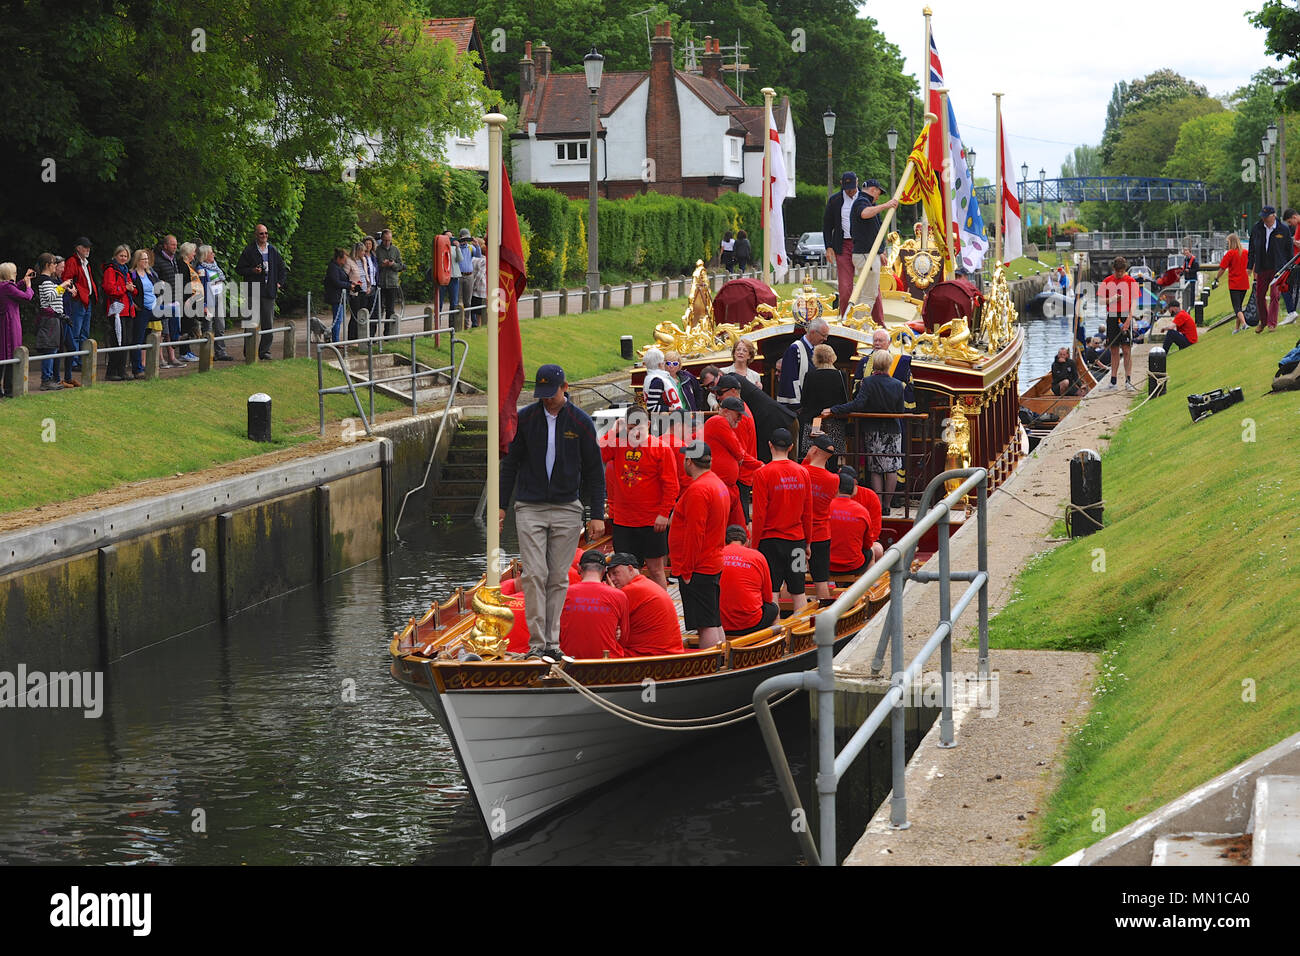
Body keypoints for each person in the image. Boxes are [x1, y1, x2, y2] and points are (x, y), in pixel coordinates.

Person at [499, 364, 606, 660]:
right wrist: (501, 506)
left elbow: (596, 472)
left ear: (565, 387)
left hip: (567, 508)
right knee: (535, 573)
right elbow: (509, 465)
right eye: (542, 394)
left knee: (558, 577)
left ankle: (552, 643)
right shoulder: (525, 420)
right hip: (529, 506)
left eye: (552, 393)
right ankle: (537, 644)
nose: (547, 399)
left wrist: (596, 513)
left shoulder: (581, 423)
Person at [602, 406, 679, 590]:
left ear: (649, 425)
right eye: (630, 428)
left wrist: (663, 513)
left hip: (651, 521)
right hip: (623, 521)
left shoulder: (661, 449)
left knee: (656, 569)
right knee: (622, 570)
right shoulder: (618, 446)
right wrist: (614, 429)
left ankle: (661, 612)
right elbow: (601, 452)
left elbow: (671, 485)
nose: (635, 432)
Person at [826, 350, 905, 512]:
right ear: (889, 364)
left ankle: (878, 505)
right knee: (892, 468)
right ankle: (888, 506)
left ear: (874, 364)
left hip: (873, 429)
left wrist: (834, 409)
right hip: (893, 430)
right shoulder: (898, 384)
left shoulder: (868, 382)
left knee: (875, 468)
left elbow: (857, 405)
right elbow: (901, 409)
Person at [669, 441, 730, 648]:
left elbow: (695, 534)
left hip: (698, 566)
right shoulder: (717, 484)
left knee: (705, 623)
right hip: (712, 560)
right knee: (713, 618)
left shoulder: (698, 490)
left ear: (689, 461)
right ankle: (721, 658)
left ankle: (710, 664)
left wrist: (686, 570)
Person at [749, 427, 813, 615]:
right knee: (798, 590)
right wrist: (807, 542)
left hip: (771, 542)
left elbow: (760, 514)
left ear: (770, 445)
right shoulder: (803, 473)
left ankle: (774, 635)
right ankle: (802, 633)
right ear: (792, 446)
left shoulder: (762, 474)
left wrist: (755, 545)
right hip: (797, 541)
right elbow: (807, 513)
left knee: (772, 591)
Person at [606, 552, 684, 656]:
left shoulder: (631, 590)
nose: (612, 579)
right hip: (669, 652)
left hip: (650, 654)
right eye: (609, 576)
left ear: (630, 569)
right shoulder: (645, 584)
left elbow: (603, 621)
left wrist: (610, 592)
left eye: (615, 573)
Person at [558, 550, 632, 659]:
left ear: (579, 568)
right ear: (605, 570)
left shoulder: (563, 594)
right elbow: (624, 639)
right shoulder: (619, 596)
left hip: (569, 663)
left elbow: (557, 634)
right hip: (607, 664)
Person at [702, 396, 761, 527]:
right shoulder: (719, 421)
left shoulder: (720, 423)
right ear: (726, 411)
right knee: (728, 527)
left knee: (738, 527)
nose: (740, 419)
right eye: (738, 415)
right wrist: (760, 465)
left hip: (728, 486)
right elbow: (738, 451)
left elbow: (740, 453)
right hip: (722, 486)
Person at [235, 224, 288, 359]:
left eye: (266, 233)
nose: (264, 236)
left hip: (269, 291)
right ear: (256, 235)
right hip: (253, 291)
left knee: (268, 324)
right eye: (261, 234)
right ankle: (250, 353)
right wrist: (252, 270)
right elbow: (239, 269)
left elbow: (282, 268)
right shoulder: (249, 250)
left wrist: (279, 283)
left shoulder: (273, 251)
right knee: (251, 322)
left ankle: (264, 352)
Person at [850, 177, 898, 320]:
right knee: (869, 294)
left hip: (867, 253)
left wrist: (880, 251)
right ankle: (861, 324)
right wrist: (886, 205)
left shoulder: (863, 201)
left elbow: (872, 231)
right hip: (866, 255)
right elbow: (864, 213)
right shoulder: (862, 202)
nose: (878, 197)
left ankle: (856, 322)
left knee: (864, 292)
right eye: (878, 193)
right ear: (873, 190)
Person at [800, 433, 841, 603]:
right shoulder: (834, 479)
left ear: (814, 449)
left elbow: (804, 466)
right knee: (821, 579)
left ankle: (791, 616)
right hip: (822, 533)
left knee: (794, 580)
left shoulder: (802, 472)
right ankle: (825, 614)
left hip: (801, 533)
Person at [720, 525, 778, 637]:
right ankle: (773, 643)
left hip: (719, 625)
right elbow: (767, 598)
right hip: (750, 623)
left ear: (724, 540)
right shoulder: (757, 556)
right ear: (747, 541)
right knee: (773, 608)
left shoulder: (717, 555)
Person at [713, 374, 759, 515]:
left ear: (733, 391)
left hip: (739, 478)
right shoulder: (739, 410)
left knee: (739, 521)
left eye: (720, 392)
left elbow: (739, 451)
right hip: (740, 476)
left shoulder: (737, 416)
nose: (718, 397)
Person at [797, 343, 848, 457]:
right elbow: (844, 399)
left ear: (815, 358)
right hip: (834, 420)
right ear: (832, 357)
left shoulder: (810, 375)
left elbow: (804, 400)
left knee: (814, 454)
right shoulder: (840, 374)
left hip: (814, 421)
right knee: (833, 454)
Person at [1247, 205, 1291, 334]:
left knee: (1274, 295)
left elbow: (1288, 249)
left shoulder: (1283, 229)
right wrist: (1249, 267)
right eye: (1263, 217)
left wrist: (1289, 267)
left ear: (1274, 216)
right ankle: (1264, 321)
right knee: (1259, 296)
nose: (1264, 219)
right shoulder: (1257, 228)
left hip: (1278, 268)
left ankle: (1272, 323)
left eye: (1267, 217)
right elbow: (1252, 249)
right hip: (1262, 267)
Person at [829, 471, 884, 574]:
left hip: (826, 564)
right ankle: (869, 585)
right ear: (853, 489)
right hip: (854, 565)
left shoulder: (825, 507)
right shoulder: (862, 511)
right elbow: (868, 545)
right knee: (871, 552)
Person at [60, 237, 99, 381]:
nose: (88, 249)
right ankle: (75, 361)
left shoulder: (85, 263)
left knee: (84, 332)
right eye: (85, 247)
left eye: (88, 247)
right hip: (78, 300)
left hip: (86, 299)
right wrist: (73, 290)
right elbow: (67, 279)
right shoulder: (72, 261)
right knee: (76, 332)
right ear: (78, 248)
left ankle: (81, 359)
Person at [823, 171, 860, 316]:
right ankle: (845, 318)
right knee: (845, 287)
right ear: (842, 184)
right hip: (843, 245)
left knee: (871, 287)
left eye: (852, 187)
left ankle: (876, 322)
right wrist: (829, 246)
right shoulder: (834, 201)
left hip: (862, 245)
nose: (850, 191)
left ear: (857, 182)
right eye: (847, 188)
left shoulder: (865, 199)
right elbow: (827, 225)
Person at [1098, 255, 1138, 389]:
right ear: (1114, 269)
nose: (1120, 274)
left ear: (1125, 269)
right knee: (1114, 349)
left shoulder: (1131, 281)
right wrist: (1113, 299)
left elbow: (1134, 302)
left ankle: (1128, 380)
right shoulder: (1107, 281)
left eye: (1122, 271)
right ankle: (1113, 380)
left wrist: (1129, 319)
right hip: (1112, 316)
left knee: (1126, 349)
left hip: (1126, 314)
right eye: (1117, 271)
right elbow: (1101, 301)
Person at [101, 244, 137, 381]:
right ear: (115, 256)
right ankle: (111, 371)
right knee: (117, 341)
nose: (123, 258)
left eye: (126, 256)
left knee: (127, 341)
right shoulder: (111, 270)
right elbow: (109, 289)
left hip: (127, 309)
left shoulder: (125, 270)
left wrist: (132, 289)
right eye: (121, 255)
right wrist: (125, 288)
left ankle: (121, 370)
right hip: (117, 310)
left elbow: (130, 288)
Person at [777, 317, 829, 411]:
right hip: (799, 408)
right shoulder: (795, 349)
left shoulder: (815, 350)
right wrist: (797, 406)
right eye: (823, 335)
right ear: (813, 332)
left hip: (812, 405)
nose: (825, 339)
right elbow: (791, 379)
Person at [0, 262, 35, 398]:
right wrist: (29, 287)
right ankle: (9, 389)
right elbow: (26, 297)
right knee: (11, 354)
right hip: (10, 323)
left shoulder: (4, 286)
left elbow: (13, 289)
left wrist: (24, 280)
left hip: (3, 322)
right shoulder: (7, 287)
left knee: (3, 354)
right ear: (9, 274)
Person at [34, 253, 67, 391]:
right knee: (50, 348)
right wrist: (62, 286)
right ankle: (46, 380)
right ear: (48, 265)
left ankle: (49, 378)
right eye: (54, 263)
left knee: (53, 348)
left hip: (54, 318)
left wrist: (62, 288)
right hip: (50, 319)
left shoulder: (49, 280)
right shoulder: (45, 280)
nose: (55, 265)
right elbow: (50, 297)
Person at [197, 246, 234, 362]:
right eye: (211, 253)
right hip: (208, 299)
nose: (213, 255)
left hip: (218, 297)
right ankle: (207, 353)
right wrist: (204, 304)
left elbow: (221, 279)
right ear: (205, 256)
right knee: (208, 326)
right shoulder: (201, 269)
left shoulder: (215, 266)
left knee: (220, 326)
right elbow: (201, 288)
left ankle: (220, 352)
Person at [153, 234, 184, 364]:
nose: (175, 246)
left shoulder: (174, 259)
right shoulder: (158, 261)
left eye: (176, 244)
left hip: (174, 299)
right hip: (162, 300)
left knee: (172, 330)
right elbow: (154, 279)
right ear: (165, 246)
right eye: (172, 244)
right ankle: (160, 358)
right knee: (162, 330)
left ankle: (172, 357)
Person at [1212, 233, 1250, 333]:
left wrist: (1216, 278)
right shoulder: (1245, 252)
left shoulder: (1230, 253)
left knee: (1236, 308)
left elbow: (1222, 268)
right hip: (1244, 282)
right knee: (1240, 306)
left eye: (1228, 242)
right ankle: (1236, 328)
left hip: (1234, 283)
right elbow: (1251, 264)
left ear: (1231, 242)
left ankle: (1244, 324)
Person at [177, 242, 204, 359]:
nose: (194, 254)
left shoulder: (188, 264)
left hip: (192, 299)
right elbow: (182, 284)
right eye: (193, 252)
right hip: (187, 300)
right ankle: (184, 352)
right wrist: (186, 299)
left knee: (189, 325)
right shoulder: (182, 265)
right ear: (188, 253)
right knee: (186, 326)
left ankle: (187, 350)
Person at [376, 228, 404, 337]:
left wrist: (393, 265)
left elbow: (401, 266)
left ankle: (388, 333)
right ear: (382, 239)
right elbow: (374, 266)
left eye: (389, 240)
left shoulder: (395, 250)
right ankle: (373, 334)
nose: (387, 242)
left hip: (392, 283)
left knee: (390, 309)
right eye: (385, 240)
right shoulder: (378, 250)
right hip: (381, 283)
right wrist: (382, 265)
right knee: (378, 309)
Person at [323, 248, 353, 343]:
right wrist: (349, 285)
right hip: (336, 296)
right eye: (344, 259)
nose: (345, 261)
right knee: (337, 319)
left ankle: (336, 338)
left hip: (340, 296)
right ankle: (335, 340)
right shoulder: (333, 267)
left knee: (339, 318)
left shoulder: (338, 267)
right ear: (339, 259)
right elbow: (336, 282)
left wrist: (351, 284)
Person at [641, 347, 682, 412]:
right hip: (667, 418)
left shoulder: (650, 378)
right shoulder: (657, 381)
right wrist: (672, 409)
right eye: (663, 362)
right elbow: (651, 407)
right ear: (660, 364)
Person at [470, 238, 488, 328]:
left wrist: (473, 286)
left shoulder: (474, 259)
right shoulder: (485, 261)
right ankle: (480, 325)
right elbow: (480, 275)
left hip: (474, 289)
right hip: (482, 288)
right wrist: (476, 285)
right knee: (481, 311)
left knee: (474, 309)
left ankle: (475, 324)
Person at [1180, 246, 1199, 312]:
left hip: (1192, 278)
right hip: (1187, 278)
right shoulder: (1185, 260)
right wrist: (1179, 275)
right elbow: (1184, 269)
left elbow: (1197, 269)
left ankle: (1192, 305)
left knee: (1192, 292)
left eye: (1187, 253)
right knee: (1186, 292)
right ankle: (1187, 304)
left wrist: (1190, 271)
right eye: (1185, 253)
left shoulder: (1194, 260)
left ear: (1190, 253)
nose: (1186, 254)